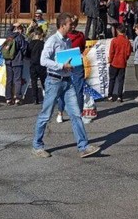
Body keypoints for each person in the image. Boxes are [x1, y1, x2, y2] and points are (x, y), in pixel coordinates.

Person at [32, 12, 101, 159]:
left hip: (67, 81)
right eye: (70, 24)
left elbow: (68, 59)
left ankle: (83, 147)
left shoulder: (68, 41)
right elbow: (43, 60)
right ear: (63, 25)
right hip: (54, 81)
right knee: (46, 114)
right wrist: (61, 65)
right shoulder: (52, 41)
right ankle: (37, 146)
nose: (73, 26)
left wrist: (75, 61)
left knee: (76, 114)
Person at [56, 15, 86, 123]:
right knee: (64, 88)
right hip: (68, 62)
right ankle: (61, 112)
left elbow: (83, 48)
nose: (73, 26)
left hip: (73, 61)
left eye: (75, 24)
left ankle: (79, 113)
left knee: (78, 89)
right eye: (71, 24)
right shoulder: (73, 35)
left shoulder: (78, 35)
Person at [4, 23, 29, 105]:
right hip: (17, 61)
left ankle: (8, 98)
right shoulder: (20, 37)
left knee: (9, 80)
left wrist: (13, 25)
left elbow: (8, 31)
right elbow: (24, 49)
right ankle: (17, 98)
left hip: (8, 61)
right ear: (20, 29)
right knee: (17, 80)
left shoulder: (9, 36)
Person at [107, 24, 132, 102]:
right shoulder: (127, 41)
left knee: (112, 79)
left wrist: (110, 60)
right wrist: (125, 59)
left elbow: (111, 52)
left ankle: (110, 95)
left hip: (114, 62)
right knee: (121, 80)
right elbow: (128, 53)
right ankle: (119, 96)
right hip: (122, 63)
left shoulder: (114, 40)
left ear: (117, 31)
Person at [26, 26, 47, 105]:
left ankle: (35, 98)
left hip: (33, 64)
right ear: (41, 34)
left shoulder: (30, 44)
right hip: (41, 64)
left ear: (34, 34)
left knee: (34, 82)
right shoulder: (43, 44)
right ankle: (47, 96)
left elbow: (27, 55)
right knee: (44, 81)